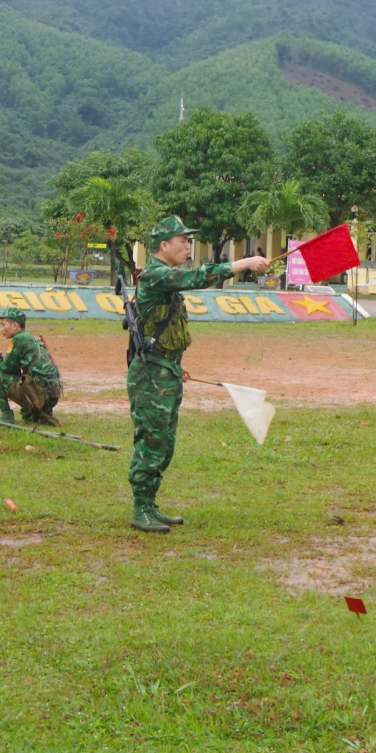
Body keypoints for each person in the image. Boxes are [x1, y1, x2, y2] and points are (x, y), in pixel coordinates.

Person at [125, 215, 270, 534]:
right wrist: (244, 262)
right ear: (164, 245)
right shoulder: (156, 274)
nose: (188, 246)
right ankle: (140, 508)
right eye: (183, 241)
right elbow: (199, 278)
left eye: (189, 241)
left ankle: (150, 504)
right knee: (151, 442)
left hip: (165, 370)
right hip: (151, 376)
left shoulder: (167, 277)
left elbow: (161, 328)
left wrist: (174, 362)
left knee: (165, 443)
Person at [0, 307, 64, 426]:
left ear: (15, 326)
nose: (2, 328)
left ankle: (6, 415)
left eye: (3, 325)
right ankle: (42, 412)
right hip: (51, 394)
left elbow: (8, 369)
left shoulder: (19, 339)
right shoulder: (32, 339)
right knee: (28, 417)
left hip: (39, 393)